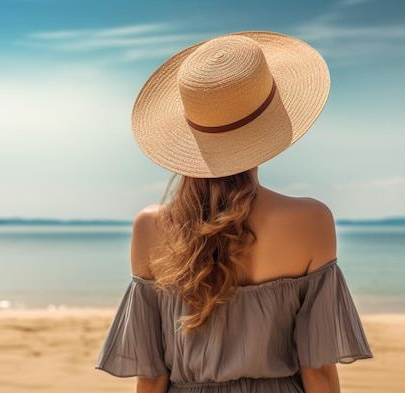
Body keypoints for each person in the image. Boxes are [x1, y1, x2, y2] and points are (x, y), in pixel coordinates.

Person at [96, 31, 372, 393]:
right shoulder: (311, 220)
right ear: (270, 125)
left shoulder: (150, 226)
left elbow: (151, 377)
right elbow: (318, 372)